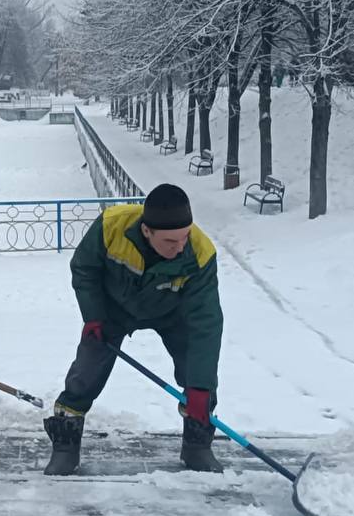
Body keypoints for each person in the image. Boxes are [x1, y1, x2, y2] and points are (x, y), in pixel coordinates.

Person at [44, 183, 224, 475]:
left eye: (184, 237)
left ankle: (197, 445)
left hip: (173, 312)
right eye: (170, 242)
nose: (180, 247)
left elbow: (206, 322)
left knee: (199, 373)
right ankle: (65, 443)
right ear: (146, 231)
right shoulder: (111, 227)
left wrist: (200, 387)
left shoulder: (199, 254)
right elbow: (84, 269)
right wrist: (93, 317)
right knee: (86, 371)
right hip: (113, 311)